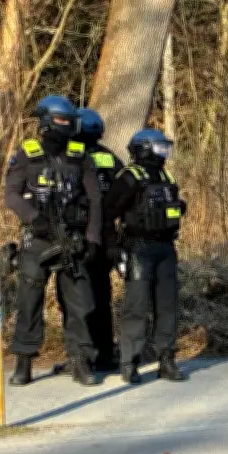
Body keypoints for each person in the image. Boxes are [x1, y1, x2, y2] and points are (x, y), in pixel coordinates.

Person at [4, 95, 102, 387]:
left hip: (72, 239)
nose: (67, 125)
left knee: (80, 303)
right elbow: (11, 195)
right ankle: (24, 361)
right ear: (47, 121)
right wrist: (34, 217)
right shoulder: (27, 153)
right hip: (37, 240)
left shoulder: (80, 155)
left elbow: (95, 200)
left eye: (69, 121)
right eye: (61, 120)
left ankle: (80, 360)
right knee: (29, 300)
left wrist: (92, 238)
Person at [102, 128, 187, 384]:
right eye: (160, 147)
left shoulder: (165, 175)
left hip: (165, 248)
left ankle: (166, 359)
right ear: (144, 149)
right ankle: (129, 362)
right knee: (136, 307)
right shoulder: (129, 177)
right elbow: (108, 213)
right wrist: (113, 246)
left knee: (167, 306)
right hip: (138, 248)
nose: (164, 152)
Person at [67, 107, 124, 372]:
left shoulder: (71, 156)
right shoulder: (110, 157)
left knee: (77, 297)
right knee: (102, 296)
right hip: (107, 236)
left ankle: (82, 354)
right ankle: (105, 352)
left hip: (79, 233)